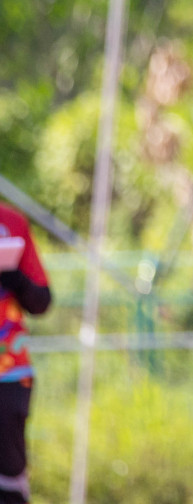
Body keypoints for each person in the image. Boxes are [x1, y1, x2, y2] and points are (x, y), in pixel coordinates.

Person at [0, 203, 51, 504]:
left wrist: (13, 277)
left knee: (8, 477)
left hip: (9, 373)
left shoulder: (11, 222)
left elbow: (42, 301)